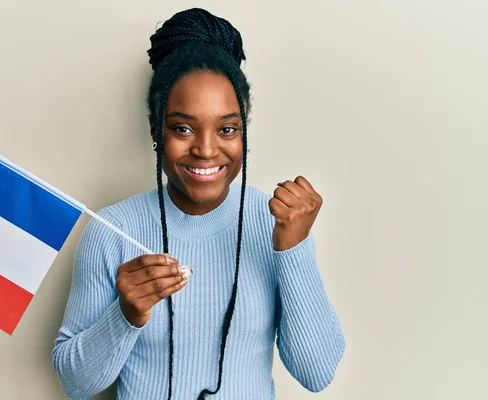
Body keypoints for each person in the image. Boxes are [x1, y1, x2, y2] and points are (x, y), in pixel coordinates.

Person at [52, 8, 345, 400]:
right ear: (157, 131)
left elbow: (317, 372)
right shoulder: (111, 230)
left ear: (244, 133)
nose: (206, 150)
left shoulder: (276, 223)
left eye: (227, 129)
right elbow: (74, 384)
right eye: (183, 128)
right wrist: (126, 315)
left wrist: (293, 249)